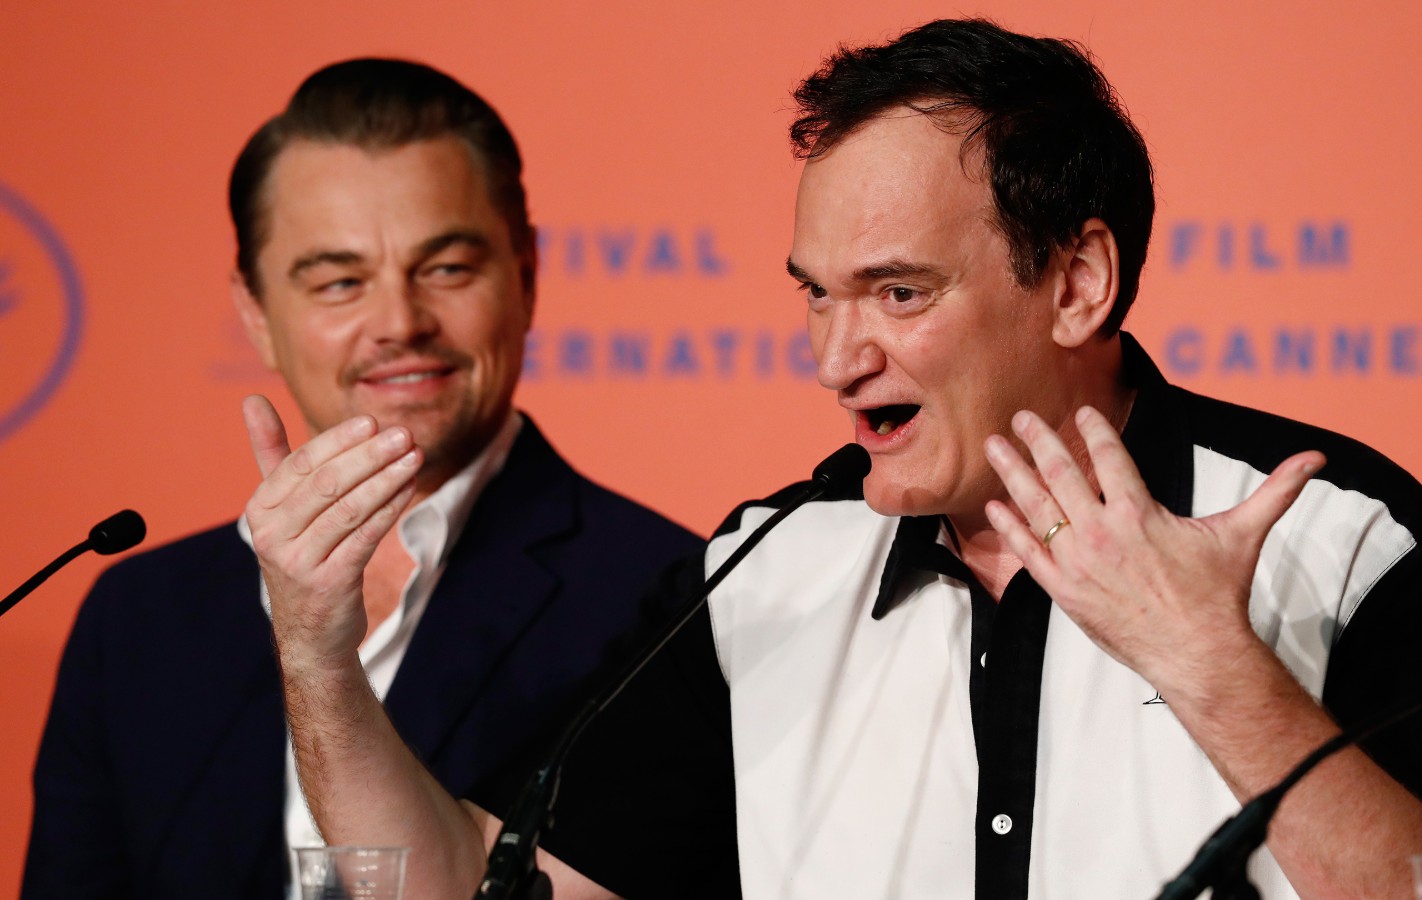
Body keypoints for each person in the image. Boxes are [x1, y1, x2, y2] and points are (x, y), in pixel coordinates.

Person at [244, 20, 1422, 900]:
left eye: (898, 294)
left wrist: (1216, 669)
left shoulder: (1336, 544)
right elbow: (467, 886)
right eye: (818, 296)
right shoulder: (763, 574)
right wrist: (317, 654)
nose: (835, 359)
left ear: (1076, 283)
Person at [22, 59, 701, 900]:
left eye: (446, 269)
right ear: (255, 313)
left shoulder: (670, 604)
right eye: (341, 282)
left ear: (526, 274)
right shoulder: (138, 618)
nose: (399, 323)